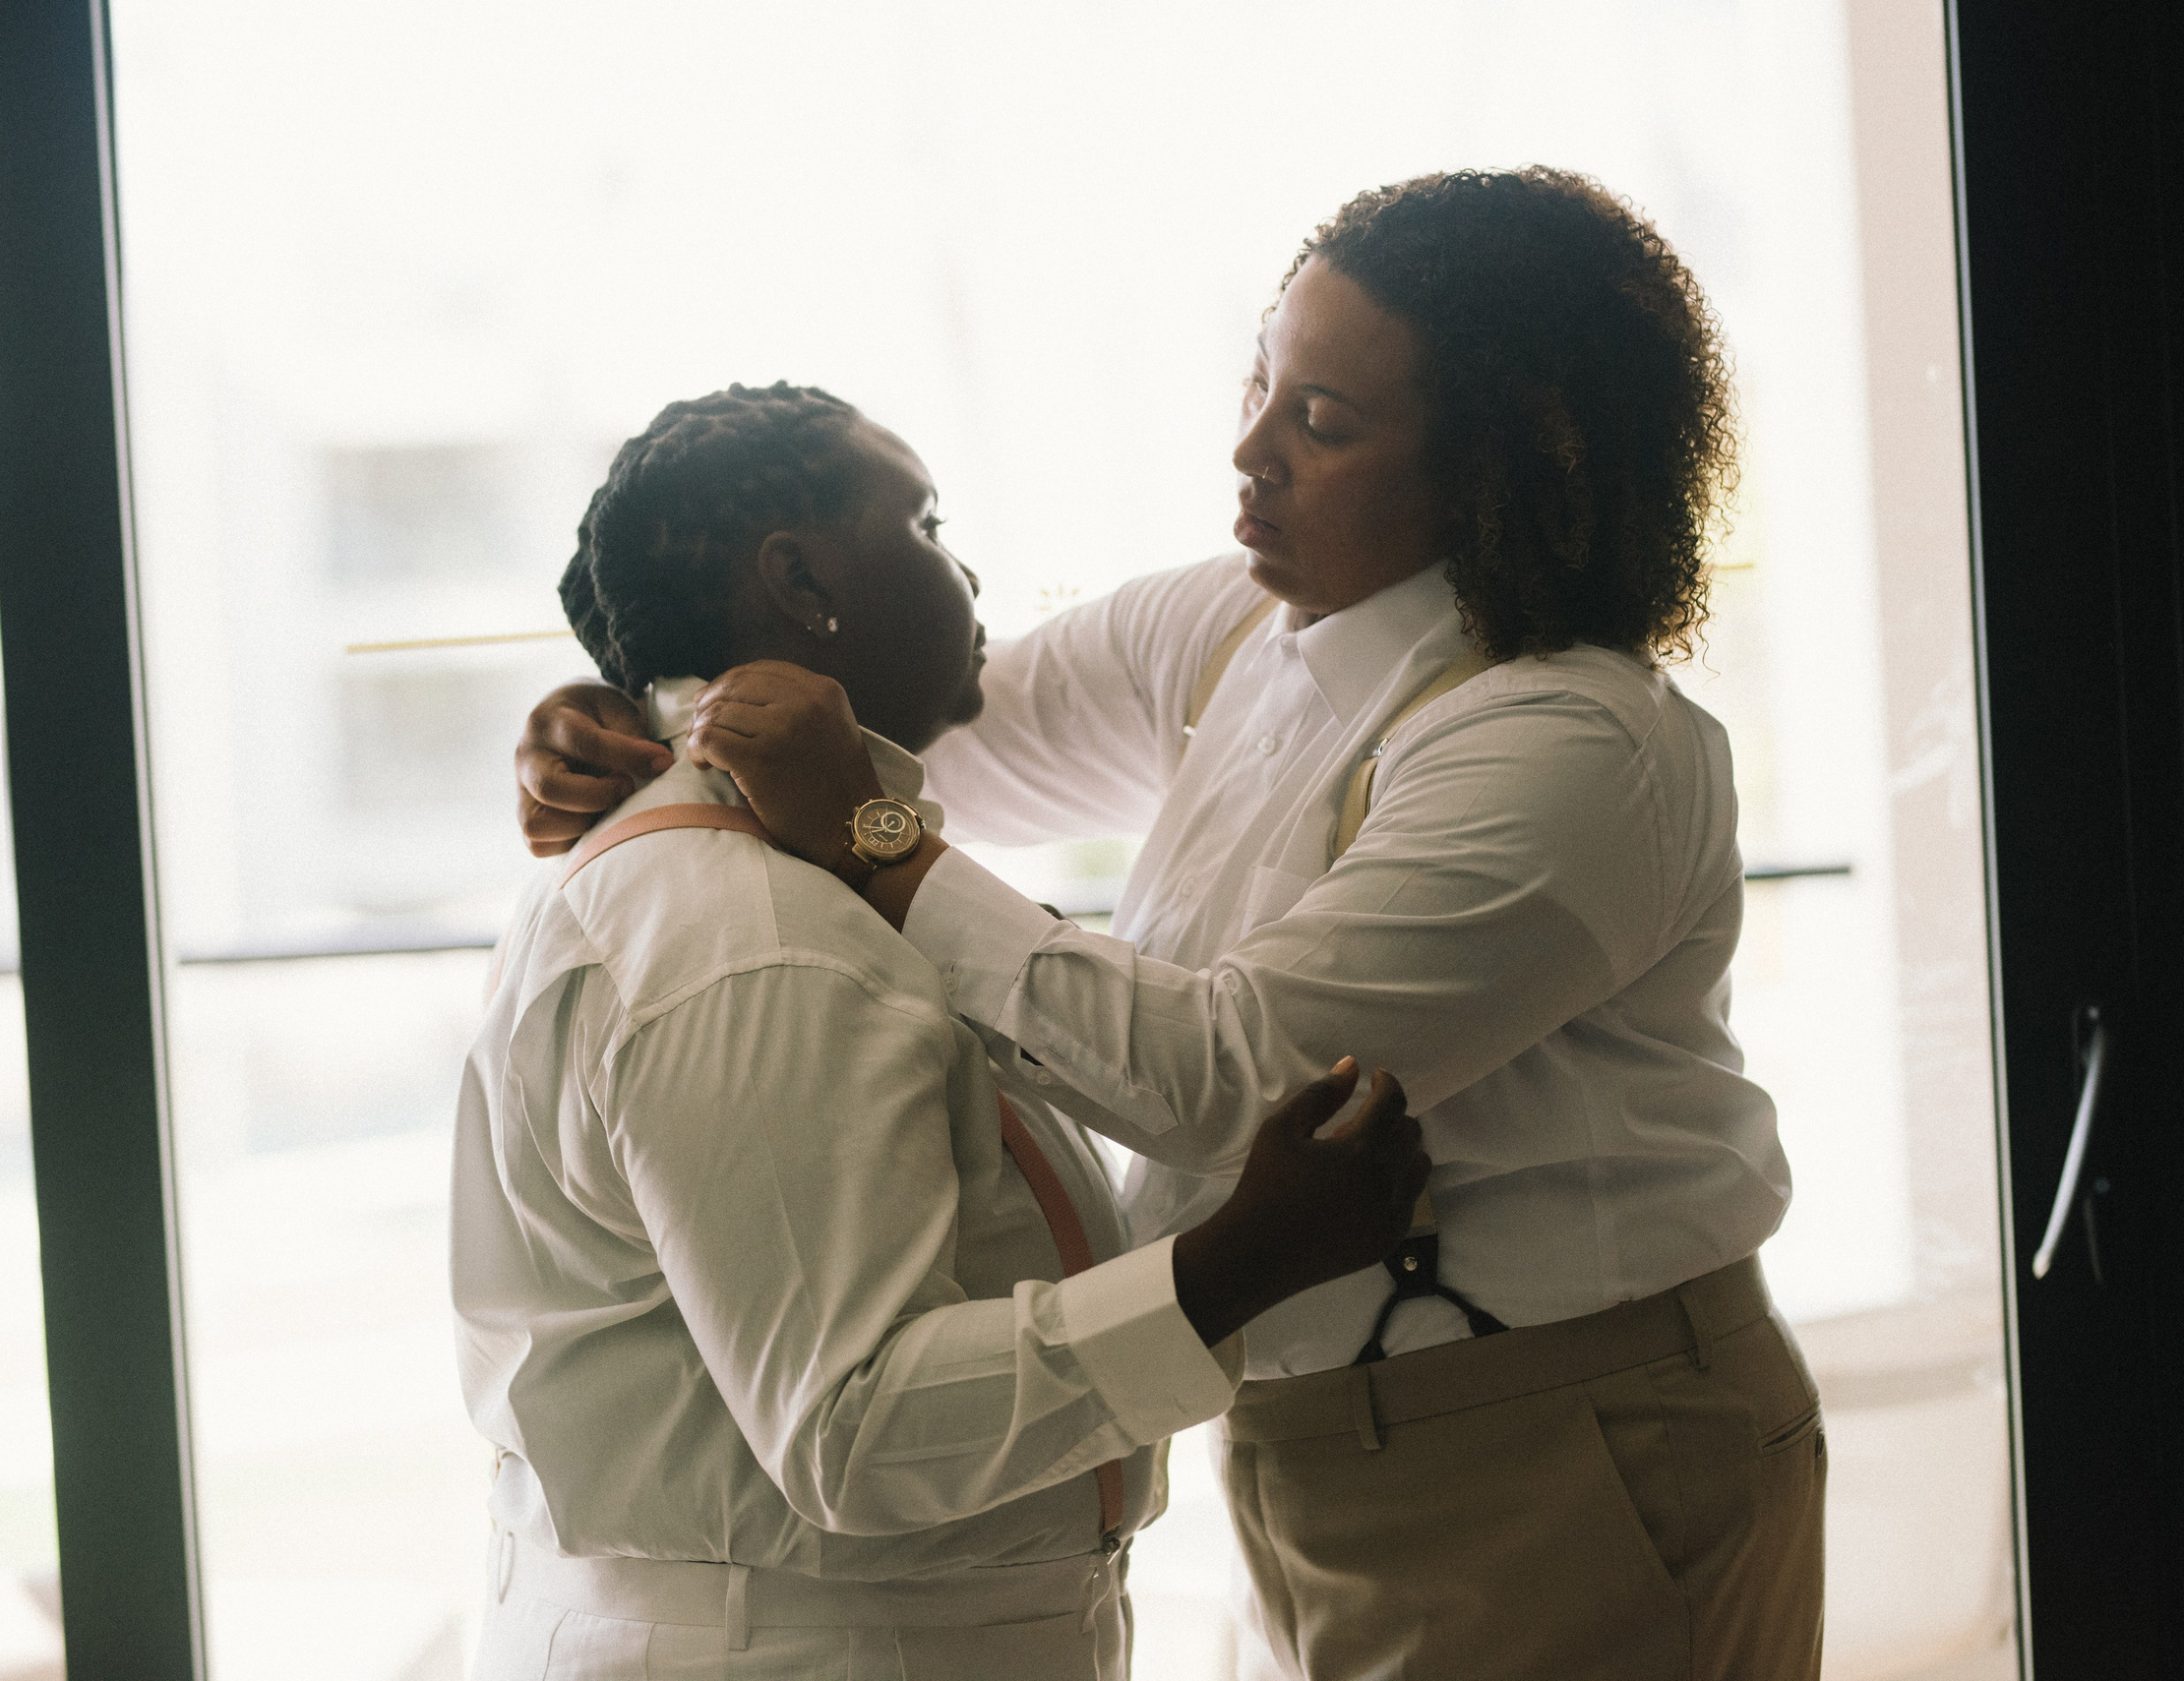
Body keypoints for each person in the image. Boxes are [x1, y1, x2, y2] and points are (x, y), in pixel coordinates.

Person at [516, 170, 1827, 1680]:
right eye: (1261, 383)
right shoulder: (1238, 630)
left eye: (1321, 423)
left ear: (1504, 470)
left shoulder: (1576, 745)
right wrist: (646, 710)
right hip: (1307, 1440)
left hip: (1568, 1441)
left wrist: (871, 837)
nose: (1249, 450)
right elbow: (918, 701)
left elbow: (1230, 1074)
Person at [454, 381, 1430, 1681]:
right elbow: (853, 1425)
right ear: (803, 583)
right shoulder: (759, 935)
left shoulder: (752, 879)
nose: (963, 568)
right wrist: (1235, 1263)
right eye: (925, 521)